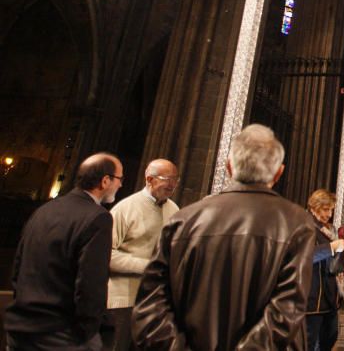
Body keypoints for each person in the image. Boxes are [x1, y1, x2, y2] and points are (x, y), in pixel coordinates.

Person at [131, 124, 315, 350]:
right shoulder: (295, 223)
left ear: (229, 167)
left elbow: (150, 307)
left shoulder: (182, 220)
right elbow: (287, 310)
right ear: (279, 172)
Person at [5, 153, 124, 351]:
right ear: (105, 181)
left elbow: (19, 265)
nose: (120, 185)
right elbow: (90, 282)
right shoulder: (98, 218)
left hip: (20, 326)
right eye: (120, 179)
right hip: (61, 332)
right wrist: (87, 330)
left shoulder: (45, 209)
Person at [103, 158, 180, 351]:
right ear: (149, 179)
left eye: (175, 179)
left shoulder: (174, 210)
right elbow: (106, 254)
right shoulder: (125, 208)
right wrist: (148, 266)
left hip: (155, 301)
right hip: (124, 301)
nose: (172, 184)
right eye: (167, 179)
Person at [305, 189, 344, 351]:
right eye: (325, 209)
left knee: (331, 336)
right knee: (310, 341)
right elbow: (306, 256)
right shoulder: (305, 225)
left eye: (331, 209)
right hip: (313, 294)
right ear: (314, 207)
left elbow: (334, 262)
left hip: (330, 294)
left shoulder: (329, 229)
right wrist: (332, 247)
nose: (329, 214)